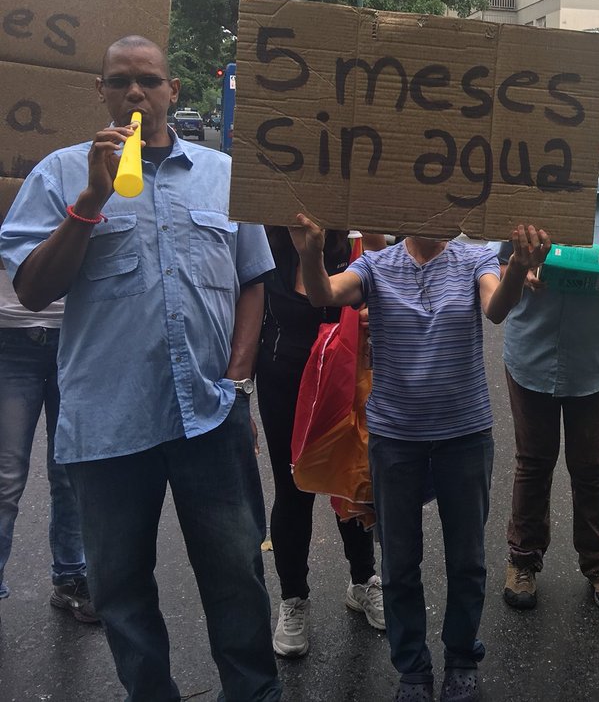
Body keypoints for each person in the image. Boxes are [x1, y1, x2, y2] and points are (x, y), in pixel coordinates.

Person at [0, 36, 280, 702]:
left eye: (148, 82)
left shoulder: (222, 172)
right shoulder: (62, 173)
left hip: (211, 414)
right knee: (121, 586)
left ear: (172, 91)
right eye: (120, 81)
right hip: (109, 419)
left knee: (237, 576)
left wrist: (238, 378)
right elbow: (35, 290)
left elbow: (253, 278)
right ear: (100, 91)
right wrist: (90, 203)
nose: (135, 94)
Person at [290, 216, 549, 702]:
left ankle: (460, 659)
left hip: (464, 434)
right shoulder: (376, 264)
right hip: (395, 439)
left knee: (467, 559)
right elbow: (324, 293)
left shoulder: (473, 257)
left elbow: (495, 308)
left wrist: (517, 266)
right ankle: (412, 669)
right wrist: (309, 251)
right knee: (400, 562)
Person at [498, 179, 599, 614]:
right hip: (532, 354)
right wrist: (521, 270)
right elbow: (498, 263)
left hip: (594, 360)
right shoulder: (523, 196)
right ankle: (522, 561)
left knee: (590, 467)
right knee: (533, 462)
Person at [258, 227, 385, 657]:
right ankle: (293, 599)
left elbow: (385, 287)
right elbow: (246, 305)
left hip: (345, 377)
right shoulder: (264, 240)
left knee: (349, 479)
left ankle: (362, 580)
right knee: (292, 488)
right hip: (284, 379)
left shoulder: (354, 240)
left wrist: (373, 310)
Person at [0, 267, 96, 625]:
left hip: (76, 331)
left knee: (70, 471)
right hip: (6, 333)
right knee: (5, 478)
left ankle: (71, 578)